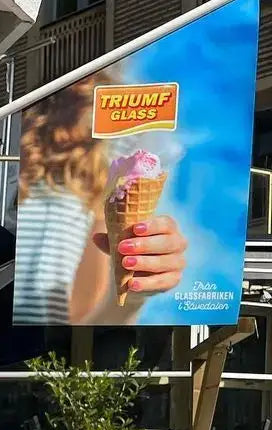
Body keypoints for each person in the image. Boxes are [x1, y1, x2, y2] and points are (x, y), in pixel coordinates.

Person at [13, 76, 188, 325]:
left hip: (42, 339)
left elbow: (81, 313)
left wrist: (135, 295)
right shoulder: (21, 159)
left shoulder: (99, 175)